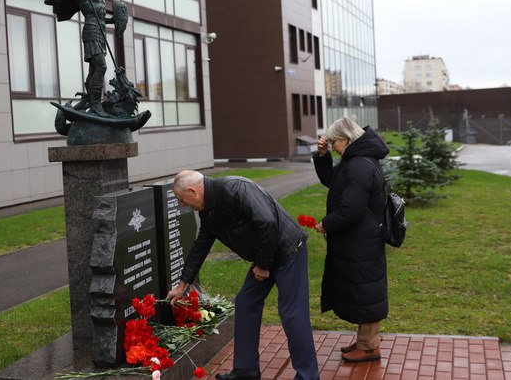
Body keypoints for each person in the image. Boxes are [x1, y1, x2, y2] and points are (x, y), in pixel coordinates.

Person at [167, 170, 320, 380]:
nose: (182, 204)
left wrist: (263, 265)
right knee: (246, 303)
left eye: (181, 200)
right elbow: (201, 246)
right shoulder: (208, 211)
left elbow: (266, 222)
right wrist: (183, 284)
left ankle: (308, 376)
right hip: (265, 256)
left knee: (292, 314)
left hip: (287, 250)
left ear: (193, 191)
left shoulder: (236, 188)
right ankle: (246, 371)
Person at [312, 117, 390, 363]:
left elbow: (350, 209)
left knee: (365, 291)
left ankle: (369, 346)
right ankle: (365, 340)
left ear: (346, 139)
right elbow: (332, 182)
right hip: (359, 238)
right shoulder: (355, 161)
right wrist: (323, 156)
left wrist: (327, 224)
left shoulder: (359, 166)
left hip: (361, 240)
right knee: (361, 289)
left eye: (334, 141)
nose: (333, 145)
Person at [52, 0, 117, 117]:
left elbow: (101, 17)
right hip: (91, 31)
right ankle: (95, 103)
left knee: (94, 68)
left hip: (101, 33)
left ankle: (89, 98)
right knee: (101, 66)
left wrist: (114, 20)